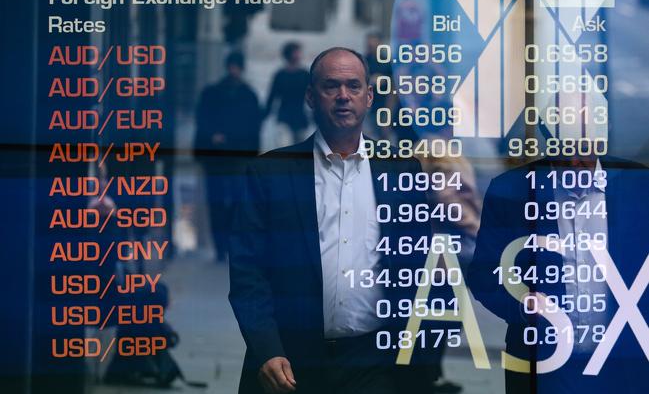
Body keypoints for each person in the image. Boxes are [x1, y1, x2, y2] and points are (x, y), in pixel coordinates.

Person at [229, 48, 436, 394]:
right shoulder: (268, 173)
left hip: (373, 362)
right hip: (289, 364)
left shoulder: (401, 171)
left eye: (354, 86)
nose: (343, 96)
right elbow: (248, 272)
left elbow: (417, 266)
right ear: (311, 96)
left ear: (369, 96)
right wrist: (267, 349)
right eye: (331, 86)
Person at [468, 155, 649, 394]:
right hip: (545, 366)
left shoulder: (639, 184)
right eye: (565, 151)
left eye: (582, 149)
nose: (574, 162)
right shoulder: (511, 189)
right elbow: (485, 276)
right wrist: (522, 305)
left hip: (626, 363)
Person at [194, 51, 262, 262]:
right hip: (223, 157)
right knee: (220, 201)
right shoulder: (229, 94)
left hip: (232, 157)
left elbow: (253, 126)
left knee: (231, 201)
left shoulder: (242, 95)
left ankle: (226, 245)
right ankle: (222, 245)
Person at [264, 42, 311, 144]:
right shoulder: (280, 75)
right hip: (284, 117)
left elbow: (313, 96)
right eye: (297, 52)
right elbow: (272, 97)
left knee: (301, 152)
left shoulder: (305, 75)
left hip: (300, 118)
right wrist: (263, 116)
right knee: (284, 148)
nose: (299, 55)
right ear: (289, 54)